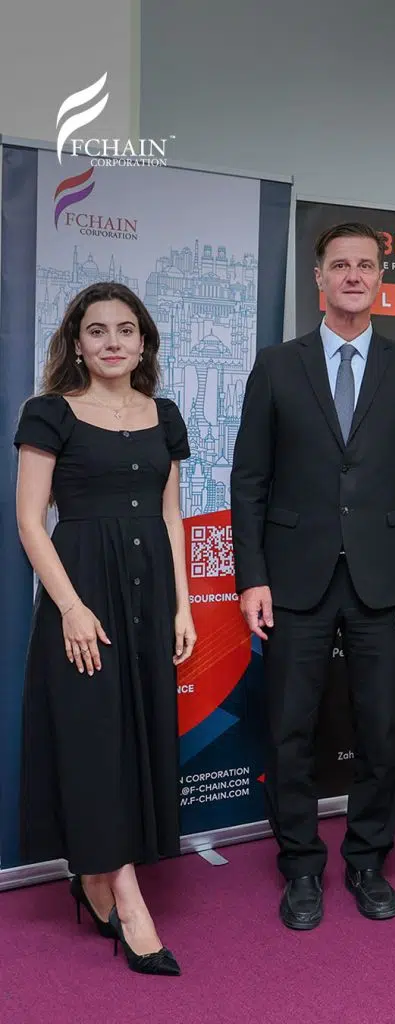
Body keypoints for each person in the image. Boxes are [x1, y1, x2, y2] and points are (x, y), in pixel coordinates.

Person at [230, 222, 395, 930]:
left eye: (365, 265)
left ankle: (366, 860)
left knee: (380, 731)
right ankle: (300, 865)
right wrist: (251, 577)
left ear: (381, 278)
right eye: (340, 265)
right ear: (318, 278)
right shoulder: (276, 366)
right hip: (293, 579)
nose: (353, 275)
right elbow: (249, 481)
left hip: (385, 582)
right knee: (288, 731)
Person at [14, 282, 195, 976]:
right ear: (77, 343)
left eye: (125, 329)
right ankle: (128, 901)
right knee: (94, 742)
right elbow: (31, 521)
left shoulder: (164, 414)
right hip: (83, 595)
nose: (112, 341)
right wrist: (70, 607)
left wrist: (183, 607)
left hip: (151, 597)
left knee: (135, 738)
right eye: (97, 330)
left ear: (143, 342)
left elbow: (171, 517)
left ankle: (93, 878)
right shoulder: (49, 413)